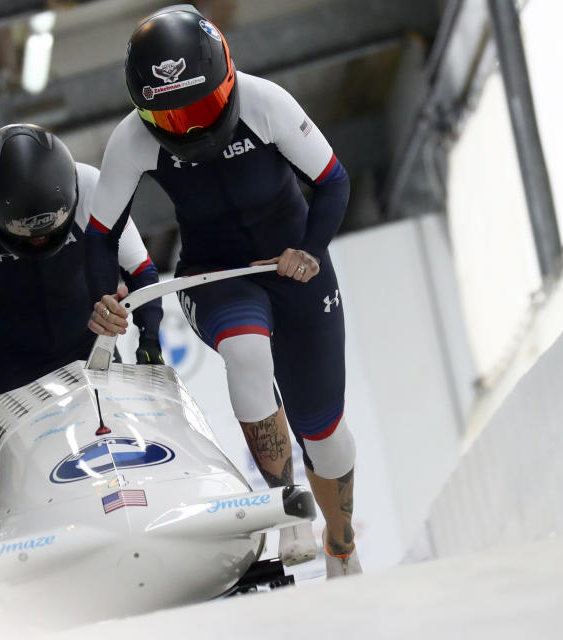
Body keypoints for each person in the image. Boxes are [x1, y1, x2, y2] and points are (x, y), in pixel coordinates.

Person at [85, 5, 360, 577]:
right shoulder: (131, 141)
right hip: (218, 276)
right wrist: (103, 295)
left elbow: (332, 181)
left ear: (228, 82)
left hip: (296, 269)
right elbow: (100, 235)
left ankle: (340, 542)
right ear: (145, 113)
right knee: (246, 352)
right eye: (172, 118)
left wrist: (309, 249)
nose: (191, 128)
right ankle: (287, 511)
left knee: (326, 435)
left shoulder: (266, 103)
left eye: (202, 108)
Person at [0, 124, 164, 429]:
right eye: (24, 231)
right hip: (7, 367)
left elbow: (141, 271)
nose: (40, 240)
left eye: (51, 225)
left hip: (89, 349)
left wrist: (150, 339)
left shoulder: (92, 186)